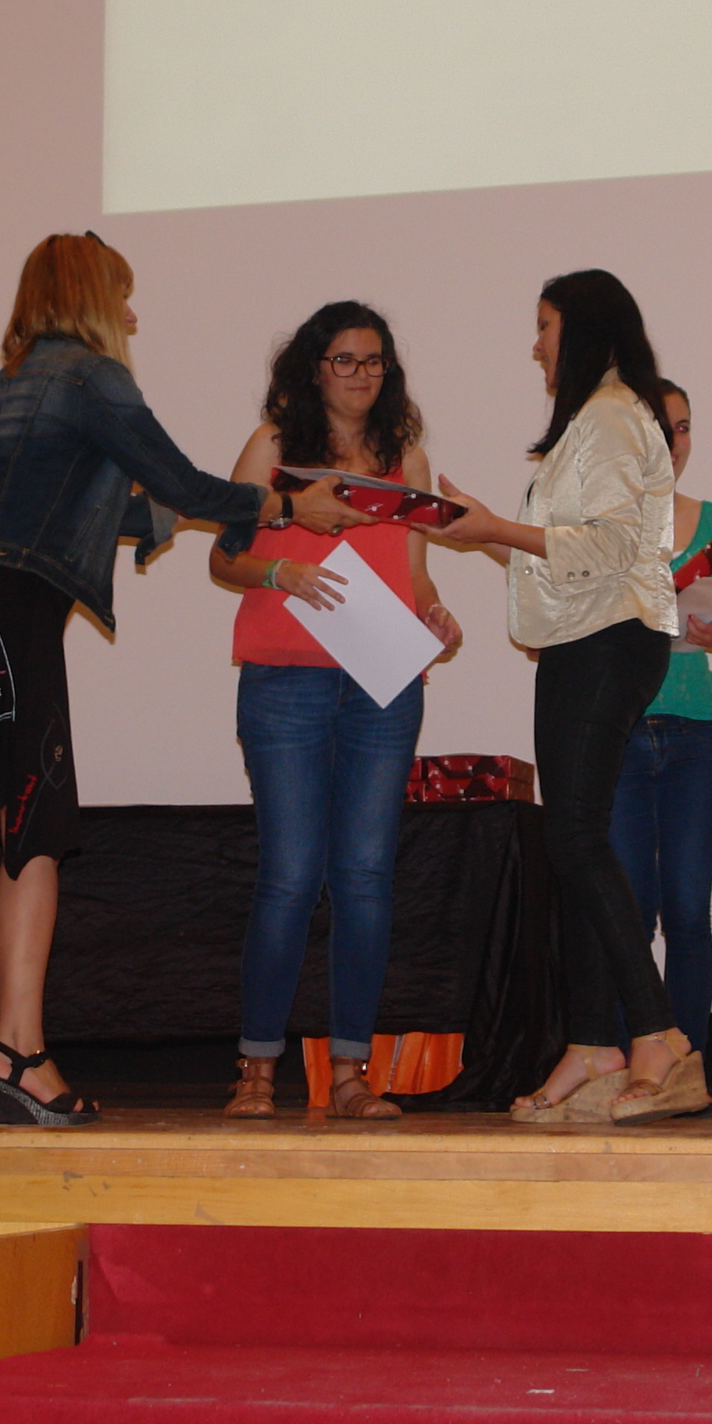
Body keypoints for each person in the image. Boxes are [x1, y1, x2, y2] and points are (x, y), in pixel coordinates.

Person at [0, 234, 368, 1128]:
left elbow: (91, 503)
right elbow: (180, 479)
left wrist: (177, 515)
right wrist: (287, 503)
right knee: (32, 836)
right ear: (91, 296)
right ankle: (19, 1054)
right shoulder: (94, 377)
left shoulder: (14, 380)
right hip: (10, 616)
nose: (132, 316)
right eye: (123, 296)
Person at [434, 270, 712, 1124]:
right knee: (574, 840)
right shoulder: (596, 419)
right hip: (580, 640)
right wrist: (484, 529)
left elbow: (608, 548)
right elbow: (567, 555)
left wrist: (494, 526)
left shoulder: (614, 416)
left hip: (607, 641)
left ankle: (655, 1034)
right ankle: (592, 1043)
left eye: (545, 326)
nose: (535, 345)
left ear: (582, 329)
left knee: (576, 837)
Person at [209, 303, 465, 1120]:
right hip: (285, 681)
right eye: (345, 360)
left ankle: (351, 1073)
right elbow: (225, 556)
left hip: (382, 682)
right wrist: (280, 574)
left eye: (374, 360)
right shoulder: (273, 447)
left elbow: (413, 575)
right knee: (290, 876)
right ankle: (256, 1069)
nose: (362, 374)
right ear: (313, 367)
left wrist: (433, 614)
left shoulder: (405, 456)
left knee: (365, 877)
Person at [608, 384, 712, 1056]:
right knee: (630, 916)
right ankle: (629, 1066)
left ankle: (685, 1066)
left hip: (698, 736)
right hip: (618, 736)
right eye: (662, 428)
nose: (676, 442)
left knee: (689, 915)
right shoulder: (596, 523)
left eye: (685, 428)